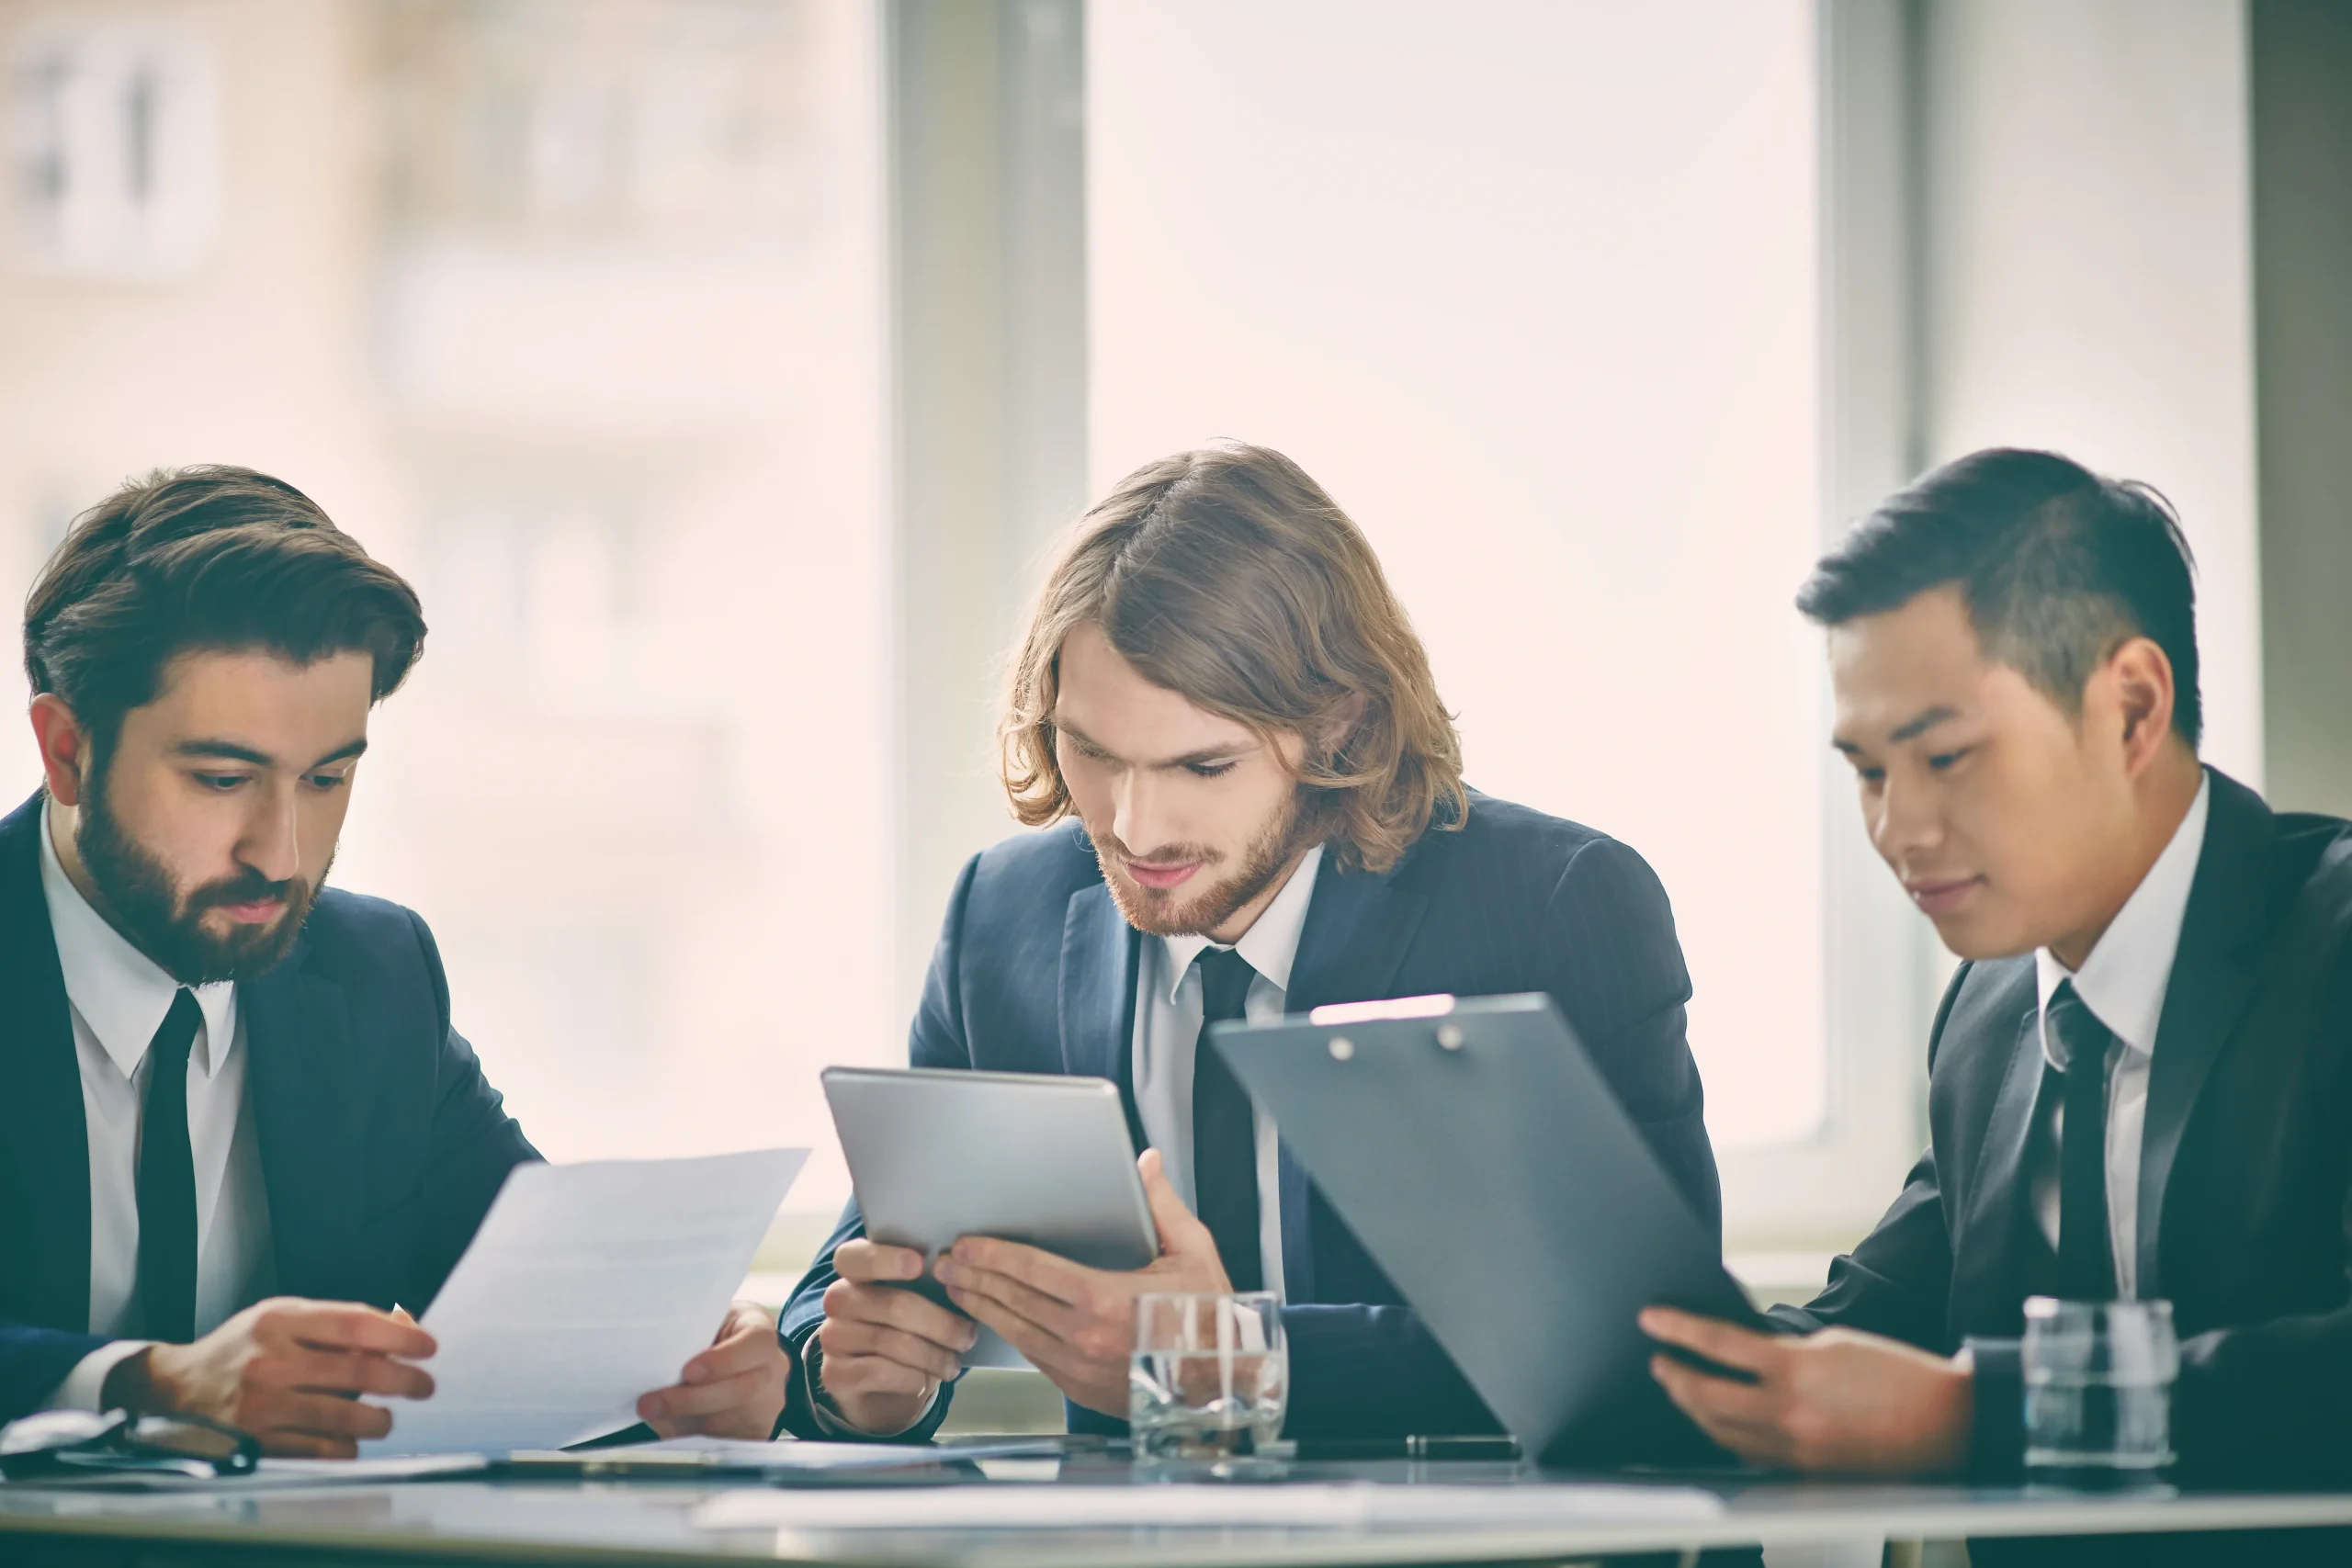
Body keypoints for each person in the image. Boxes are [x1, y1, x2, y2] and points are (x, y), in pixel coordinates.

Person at [780, 442, 1721, 1444]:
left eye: (1202, 765)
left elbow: (1659, 1352)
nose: (1134, 828)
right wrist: (865, 1382)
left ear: (1342, 728)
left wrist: (1240, 1366)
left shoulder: (1554, 904)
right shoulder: (1001, 914)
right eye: (1091, 751)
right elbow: (859, 1275)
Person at [0, 468, 789, 1454]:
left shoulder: (374, 976)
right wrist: (149, 1383)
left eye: (327, 777)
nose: (279, 855)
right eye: (220, 779)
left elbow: (549, 1317)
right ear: (67, 749)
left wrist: (692, 1370)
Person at [1641, 448, 2352, 1499]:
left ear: (2132, 709)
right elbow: (1865, 1329)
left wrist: (1977, 1411)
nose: (1896, 828)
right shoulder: (1990, 1015)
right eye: (1868, 771)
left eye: (1946, 757)